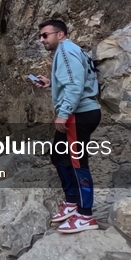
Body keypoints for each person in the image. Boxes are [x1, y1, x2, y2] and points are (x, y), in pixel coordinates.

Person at [34, 19, 102, 234]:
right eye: (41, 36)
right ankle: (72, 201)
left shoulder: (65, 50)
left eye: (45, 35)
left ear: (60, 34)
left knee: (77, 162)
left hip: (79, 113)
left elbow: (75, 85)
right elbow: (79, 78)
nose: (41, 39)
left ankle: (85, 214)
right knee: (58, 156)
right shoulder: (73, 50)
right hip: (81, 111)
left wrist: (63, 114)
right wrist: (51, 83)